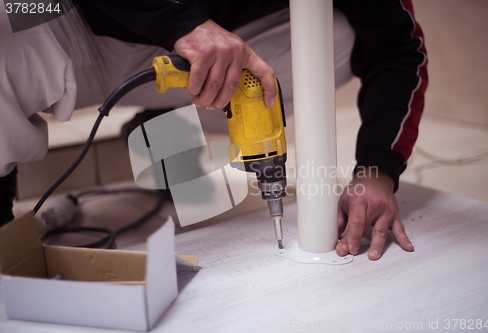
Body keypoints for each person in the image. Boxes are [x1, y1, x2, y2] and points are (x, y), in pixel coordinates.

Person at [0, 0, 427, 260]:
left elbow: (399, 48)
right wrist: (180, 21)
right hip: (78, 16)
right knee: (8, 13)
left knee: (333, 33)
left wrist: (377, 171)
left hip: (218, 44)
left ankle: (163, 128)